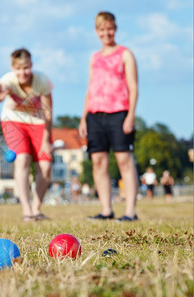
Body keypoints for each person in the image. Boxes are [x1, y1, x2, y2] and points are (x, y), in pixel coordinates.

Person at [78, 11, 139, 222]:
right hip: (95, 114)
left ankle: (130, 211)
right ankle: (106, 209)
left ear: (116, 28)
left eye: (110, 28)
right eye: (102, 29)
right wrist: (83, 117)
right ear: (97, 32)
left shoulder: (125, 54)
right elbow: (90, 88)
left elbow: (133, 86)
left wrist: (130, 114)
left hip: (119, 113)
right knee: (98, 162)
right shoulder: (94, 58)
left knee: (124, 160)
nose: (107, 33)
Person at [0, 48, 53, 222]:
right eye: (18, 68)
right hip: (13, 121)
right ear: (12, 68)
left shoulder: (41, 80)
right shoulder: (8, 80)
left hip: (39, 123)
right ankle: (27, 211)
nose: (22, 72)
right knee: (22, 159)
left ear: (31, 65)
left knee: (46, 167)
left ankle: (36, 209)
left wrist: (46, 140)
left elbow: (48, 112)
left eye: (25, 68)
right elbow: (0, 93)